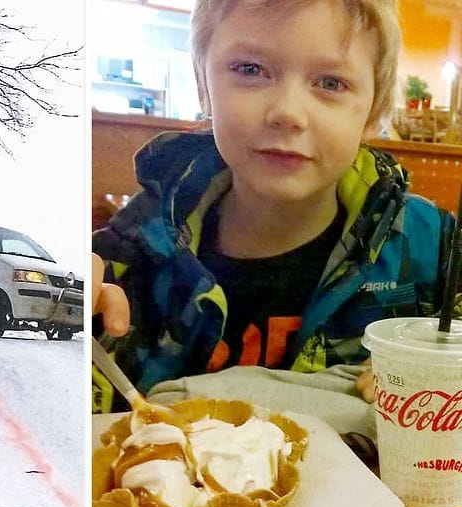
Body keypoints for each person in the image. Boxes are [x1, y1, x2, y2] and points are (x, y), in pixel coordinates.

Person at [92, 0, 454, 414]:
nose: (287, 113)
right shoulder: (128, 260)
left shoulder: (433, 254)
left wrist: (444, 370)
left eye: (331, 83)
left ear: (375, 109)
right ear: (203, 84)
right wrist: (80, 333)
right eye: (250, 70)